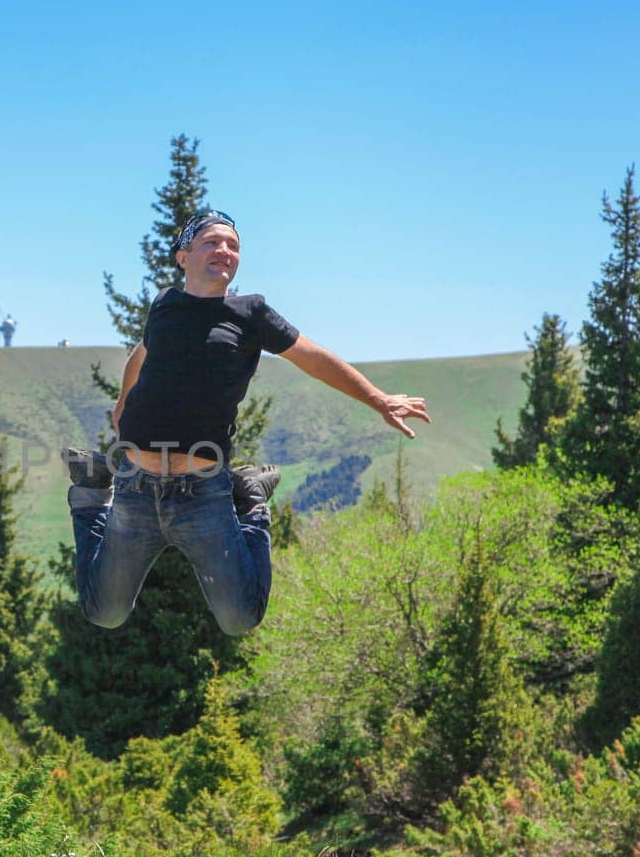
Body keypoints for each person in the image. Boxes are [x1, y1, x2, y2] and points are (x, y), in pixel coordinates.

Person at [63, 209, 430, 635]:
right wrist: (124, 402)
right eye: (212, 242)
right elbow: (142, 354)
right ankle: (91, 493)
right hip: (135, 486)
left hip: (202, 493)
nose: (225, 251)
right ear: (184, 256)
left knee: (241, 619)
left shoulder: (250, 312)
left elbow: (312, 358)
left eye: (233, 246)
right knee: (103, 612)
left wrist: (378, 398)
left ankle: (251, 505)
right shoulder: (164, 305)